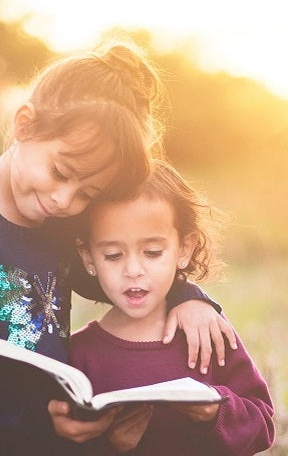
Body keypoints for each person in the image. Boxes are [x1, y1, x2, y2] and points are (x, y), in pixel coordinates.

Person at [0, 40, 237, 455]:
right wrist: (35, 419)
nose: (66, 200)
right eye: (61, 172)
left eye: (87, 193)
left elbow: (118, 282)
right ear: (25, 124)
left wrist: (189, 296)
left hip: (40, 438)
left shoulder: (54, 222)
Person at [71, 159, 275, 455]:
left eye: (152, 252)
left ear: (184, 249)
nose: (133, 269)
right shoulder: (80, 354)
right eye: (113, 255)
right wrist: (110, 445)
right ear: (88, 257)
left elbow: (262, 425)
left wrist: (214, 410)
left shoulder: (205, 331)